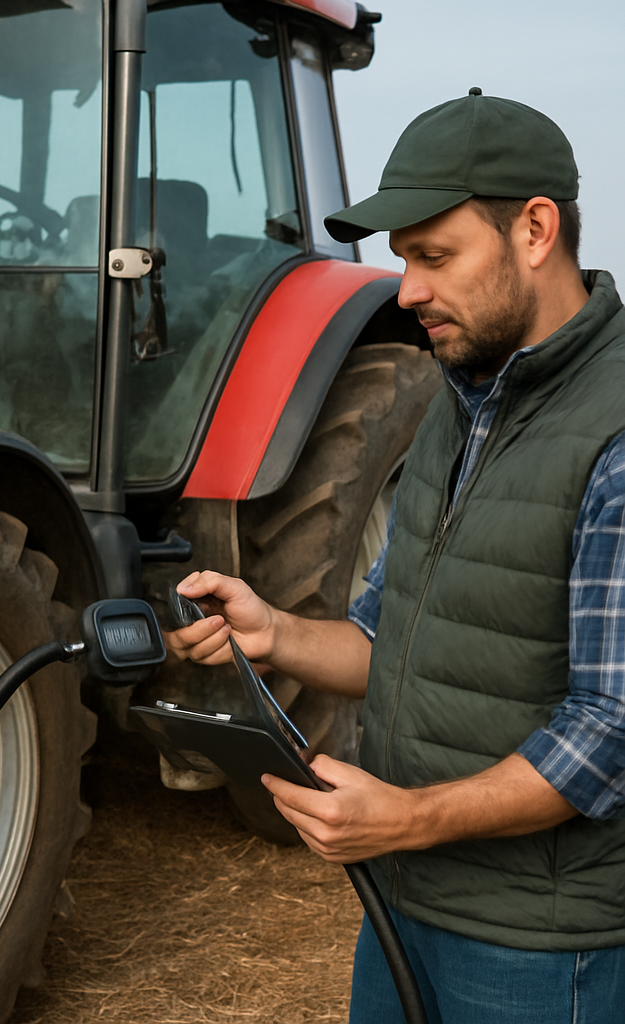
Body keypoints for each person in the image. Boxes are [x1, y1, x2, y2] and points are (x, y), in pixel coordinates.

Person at [166, 89, 625, 1023]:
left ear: (536, 230)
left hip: (539, 948)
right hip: (402, 903)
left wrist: (408, 817)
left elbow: (608, 734)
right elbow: (388, 636)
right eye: (403, 258)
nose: (407, 289)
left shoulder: (612, 433)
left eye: (434, 256)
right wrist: (275, 631)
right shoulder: (457, 404)